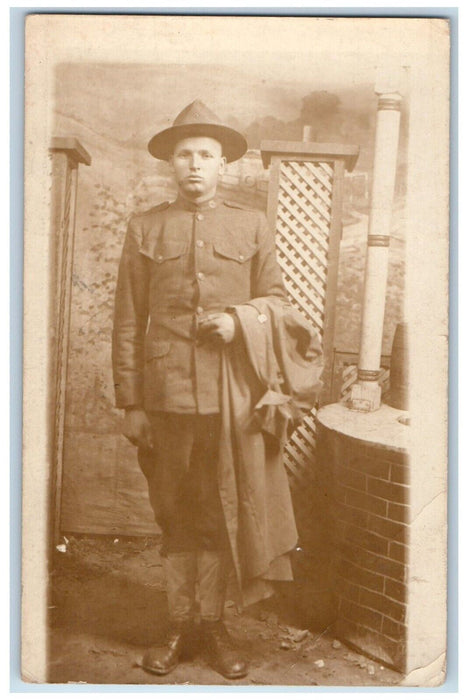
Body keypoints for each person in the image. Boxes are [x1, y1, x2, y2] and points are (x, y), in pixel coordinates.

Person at [112, 100, 323, 680]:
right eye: (184, 155)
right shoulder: (146, 226)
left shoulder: (251, 224)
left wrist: (240, 321)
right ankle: (179, 624)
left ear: (224, 163)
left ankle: (212, 625)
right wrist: (131, 402)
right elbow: (128, 320)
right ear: (170, 165)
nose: (195, 165)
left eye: (206, 154)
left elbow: (279, 304)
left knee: (217, 511)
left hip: (230, 398)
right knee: (175, 512)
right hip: (165, 397)